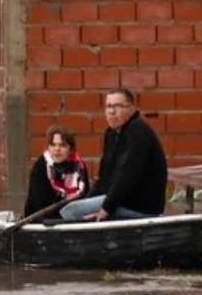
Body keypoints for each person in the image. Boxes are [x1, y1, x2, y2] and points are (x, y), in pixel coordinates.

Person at [60, 88, 168, 221]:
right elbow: (104, 179)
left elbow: (127, 176)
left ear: (132, 108)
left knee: (72, 211)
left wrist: (106, 208)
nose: (111, 112)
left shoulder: (138, 131)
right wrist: (88, 199)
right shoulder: (111, 134)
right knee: (71, 206)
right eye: (108, 106)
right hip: (121, 202)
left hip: (140, 207)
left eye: (118, 106)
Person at [23, 125, 90, 218]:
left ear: (70, 149)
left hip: (74, 219)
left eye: (62, 145)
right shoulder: (41, 166)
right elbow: (38, 204)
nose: (57, 149)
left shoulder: (79, 167)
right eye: (53, 145)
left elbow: (85, 196)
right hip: (42, 221)